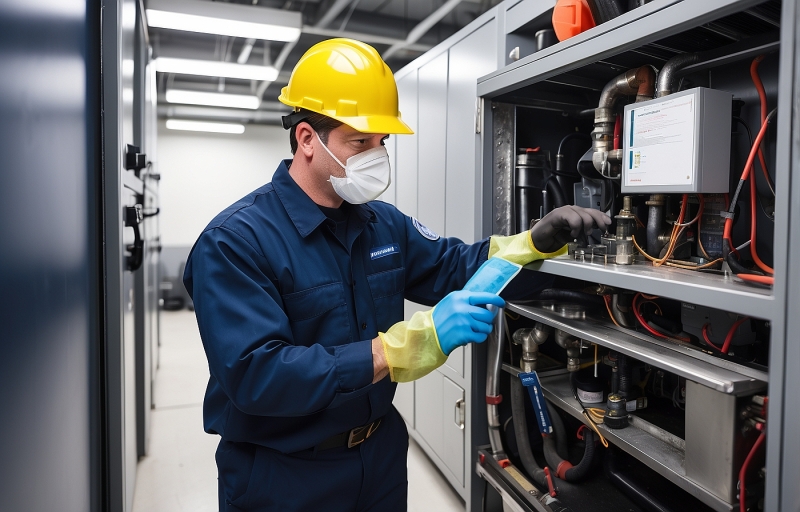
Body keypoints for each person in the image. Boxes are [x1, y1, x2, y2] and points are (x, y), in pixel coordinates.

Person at [183, 38, 610, 512]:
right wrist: (399, 349)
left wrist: (534, 244)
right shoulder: (234, 242)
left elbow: (458, 267)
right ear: (307, 138)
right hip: (283, 475)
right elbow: (256, 375)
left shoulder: (381, 222)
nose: (377, 154)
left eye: (382, 141)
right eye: (360, 141)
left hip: (379, 458)